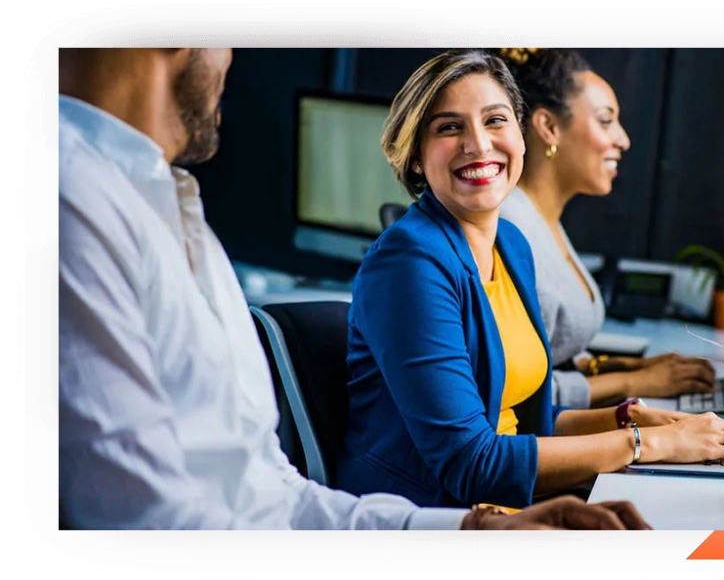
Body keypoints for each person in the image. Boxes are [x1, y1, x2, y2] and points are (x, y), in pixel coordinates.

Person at [55, 46, 653, 532]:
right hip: (442, 496)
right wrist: (638, 444)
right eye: (451, 128)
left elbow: (272, 492)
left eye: (496, 121)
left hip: (441, 517)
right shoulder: (71, 203)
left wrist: (470, 534)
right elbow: (142, 523)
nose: (232, 55)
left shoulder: (178, 213)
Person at [336, 48, 724, 512]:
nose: (478, 144)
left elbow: (526, 424)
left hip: (507, 506)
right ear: (417, 157)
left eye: (495, 120)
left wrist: (630, 419)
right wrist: (648, 444)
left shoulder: (512, 245)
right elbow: (470, 462)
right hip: (429, 517)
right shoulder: (409, 262)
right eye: (449, 127)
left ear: (521, 135)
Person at [495, 47, 718, 411]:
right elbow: (511, 390)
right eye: (605, 121)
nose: (623, 139)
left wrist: (631, 366)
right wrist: (632, 382)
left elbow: (555, 353)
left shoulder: (543, 219)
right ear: (549, 127)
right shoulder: (510, 227)